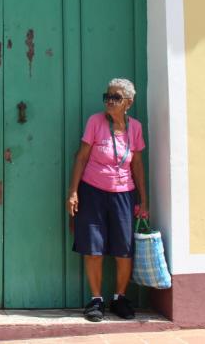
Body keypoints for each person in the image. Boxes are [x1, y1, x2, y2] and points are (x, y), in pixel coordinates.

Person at [66, 78, 148, 322]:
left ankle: (119, 298)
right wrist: (73, 191)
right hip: (92, 191)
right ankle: (96, 300)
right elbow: (81, 157)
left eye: (116, 97)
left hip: (124, 193)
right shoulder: (95, 122)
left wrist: (144, 200)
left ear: (128, 103)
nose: (110, 101)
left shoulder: (135, 128)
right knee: (94, 247)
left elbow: (137, 164)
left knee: (124, 249)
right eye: (108, 96)